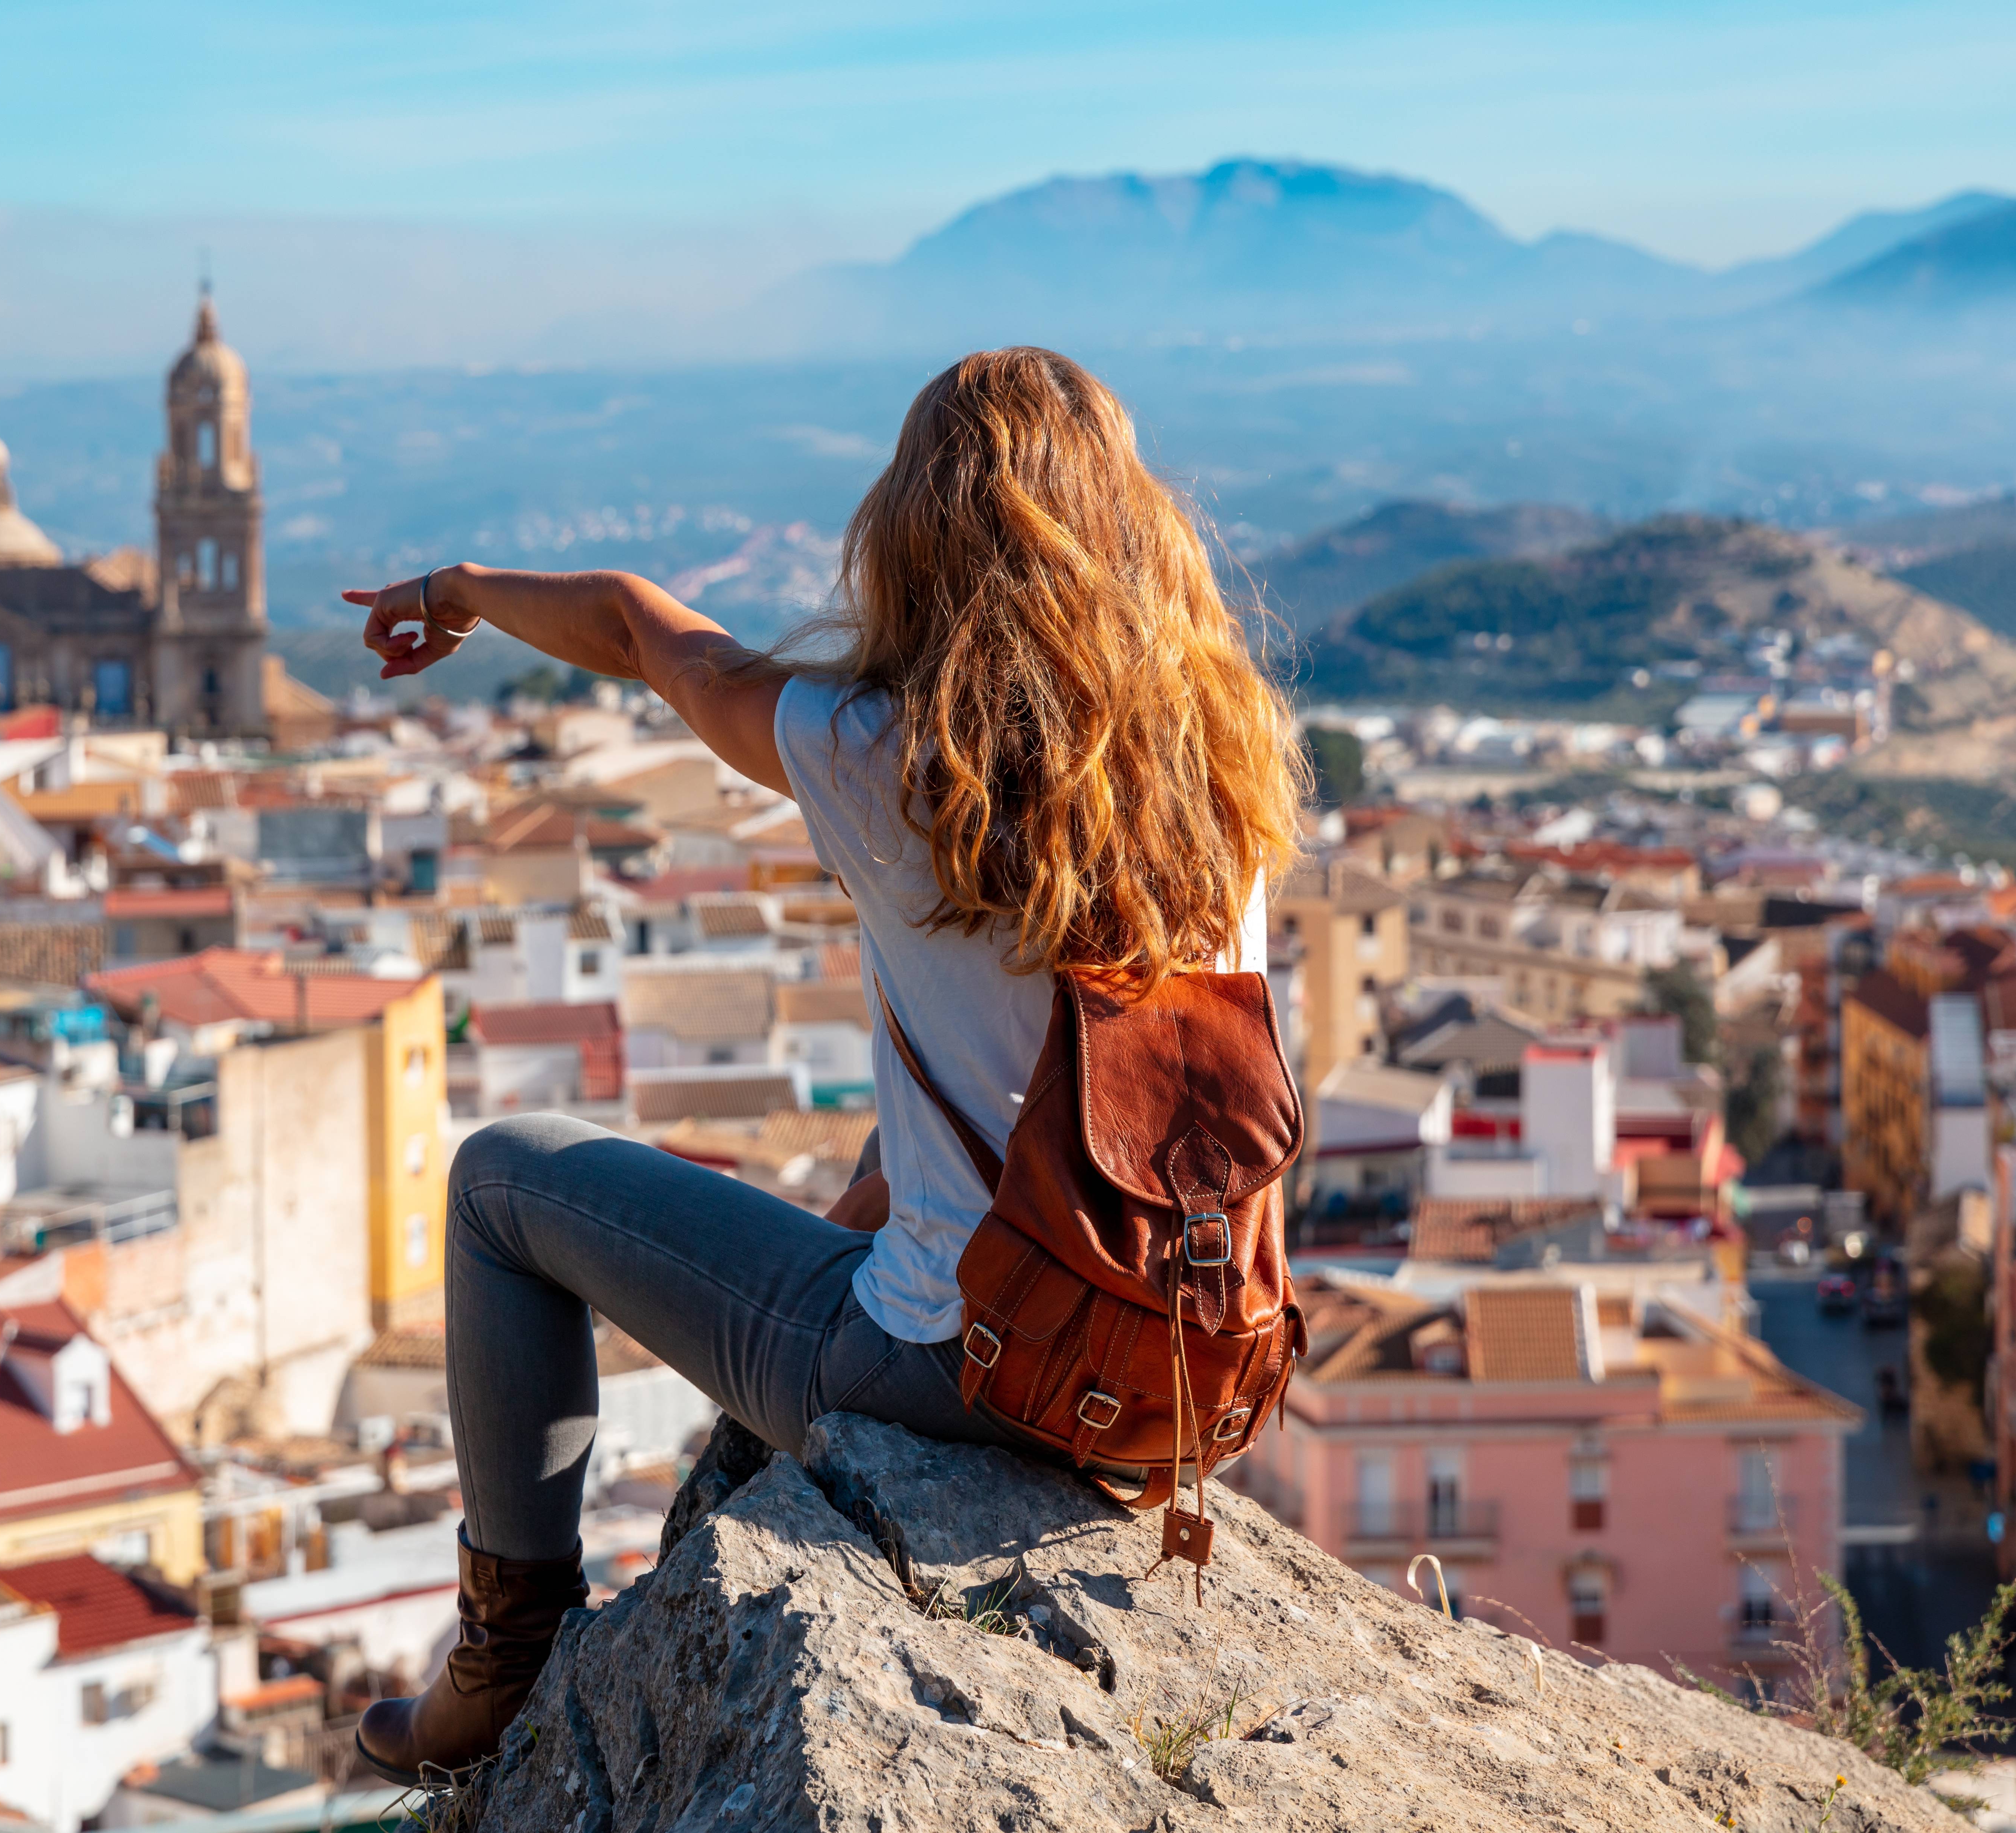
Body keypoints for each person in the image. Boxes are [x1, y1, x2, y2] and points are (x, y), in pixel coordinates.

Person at [345, 347, 1305, 1785]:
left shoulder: (889, 757)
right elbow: (1058, 1085)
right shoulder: (1224, 778)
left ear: (916, 537)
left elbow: (643, 632)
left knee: (497, 1184)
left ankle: (504, 1661)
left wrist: (466, 588)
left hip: (955, 1372)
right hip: (1178, 1386)